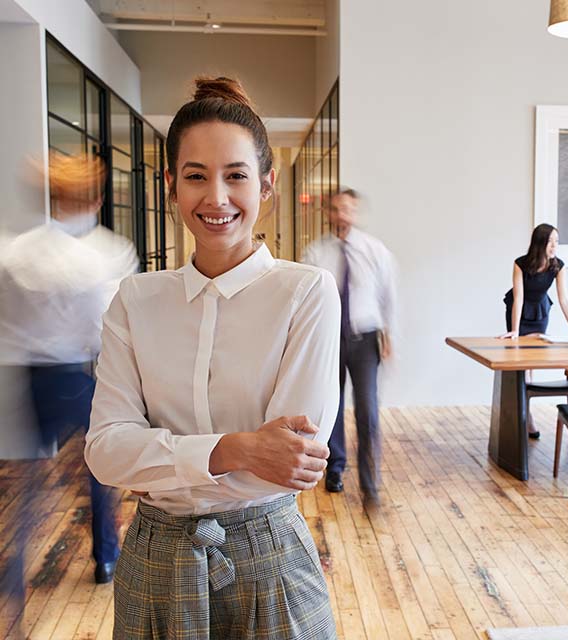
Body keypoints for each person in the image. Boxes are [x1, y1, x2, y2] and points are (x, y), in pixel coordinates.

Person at [85, 76, 340, 639]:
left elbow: (295, 457)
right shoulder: (136, 299)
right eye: (196, 177)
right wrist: (239, 448)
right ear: (172, 186)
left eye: (236, 176)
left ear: (267, 185)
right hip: (154, 560)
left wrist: (163, 459)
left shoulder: (306, 292)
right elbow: (105, 451)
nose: (216, 198)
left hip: (270, 557)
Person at [0, 152, 138, 586]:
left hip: (30, 377)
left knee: (29, 483)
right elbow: (106, 330)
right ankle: (106, 558)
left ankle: (16, 565)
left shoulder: (15, 252)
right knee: (99, 470)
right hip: (79, 375)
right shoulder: (108, 256)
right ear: (97, 199)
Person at [303, 189, 396, 509]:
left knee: (368, 411)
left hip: (366, 338)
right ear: (328, 213)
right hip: (329, 340)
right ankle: (336, 468)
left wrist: (389, 334)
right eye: (337, 209)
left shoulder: (374, 250)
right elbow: (307, 300)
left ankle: (371, 485)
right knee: (332, 406)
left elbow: (387, 295)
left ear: (355, 213)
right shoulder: (316, 253)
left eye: (348, 209)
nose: (342, 215)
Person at [499, 223, 568, 438]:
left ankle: (526, 413)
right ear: (540, 243)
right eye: (550, 242)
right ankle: (526, 416)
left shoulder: (558, 266)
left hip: (540, 313)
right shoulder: (521, 263)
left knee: (531, 364)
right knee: (521, 366)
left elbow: (564, 299)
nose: (554, 246)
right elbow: (519, 298)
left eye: (557, 242)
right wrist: (514, 331)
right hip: (519, 313)